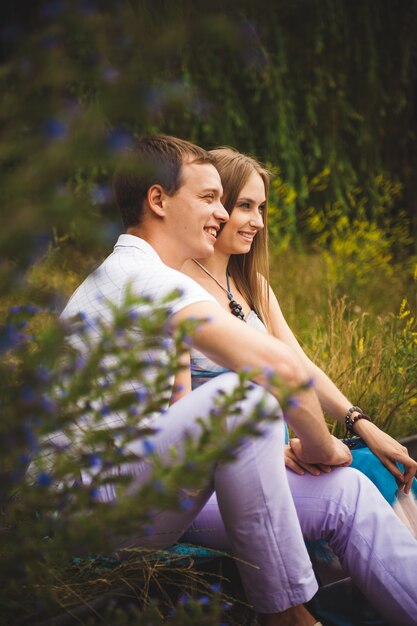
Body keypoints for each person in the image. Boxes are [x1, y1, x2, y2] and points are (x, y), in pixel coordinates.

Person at [60, 135, 417, 626]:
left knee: (345, 494)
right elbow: (281, 368)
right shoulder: (142, 278)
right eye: (210, 198)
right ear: (158, 200)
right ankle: (289, 615)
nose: (224, 214)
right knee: (244, 398)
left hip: (148, 488)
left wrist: (279, 462)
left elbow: (177, 412)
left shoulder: (148, 279)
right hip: (99, 510)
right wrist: (324, 447)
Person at [181, 147, 417, 538]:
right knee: (362, 479)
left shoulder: (252, 285)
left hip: (285, 451)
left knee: (380, 465)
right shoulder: (182, 290)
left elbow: (300, 364)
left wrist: (364, 426)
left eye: (261, 208)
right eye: (245, 206)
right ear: (215, 207)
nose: (257, 221)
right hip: (232, 464)